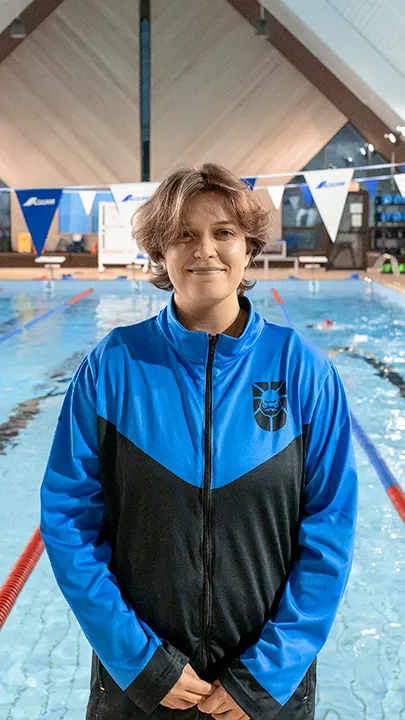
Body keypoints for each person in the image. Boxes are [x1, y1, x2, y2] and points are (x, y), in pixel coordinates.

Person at [40, 163, 358, 720]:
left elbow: (330, 533)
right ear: (161, 252)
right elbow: (68, 519)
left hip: (264, 693)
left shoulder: (303, 371)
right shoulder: (114, 365)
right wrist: (139, 662)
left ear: (249, 247)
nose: (203, 250)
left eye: (222, 232)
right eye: (183, 234)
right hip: (140, 689)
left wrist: (265, 675)